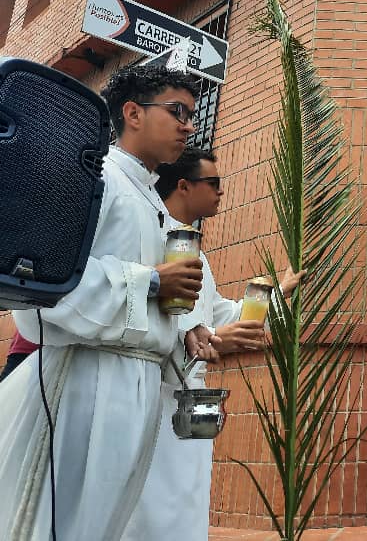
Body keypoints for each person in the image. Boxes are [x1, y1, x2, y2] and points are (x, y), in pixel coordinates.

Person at [0, 66, 213, 541]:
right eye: (176, 111)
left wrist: (185, 329)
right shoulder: (95, 180)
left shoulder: (153, 201)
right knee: (61, 523)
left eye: (191, 115)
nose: (188, 126)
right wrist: (151, 282)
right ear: (132, 113)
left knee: (106, 526)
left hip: (137, 385)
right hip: (87, 381)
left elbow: (157, 299)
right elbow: (44, 285)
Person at [122, 147, 302, 540]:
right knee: (151, 508)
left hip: (190, 395)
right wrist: (212, 338)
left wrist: (276, 293)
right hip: (153, 391)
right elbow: (143, 317)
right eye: (214, 183)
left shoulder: (194, 251)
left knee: (187, 502)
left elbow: (219, 315)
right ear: (184, 186)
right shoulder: (151, 235)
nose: (222, 192)